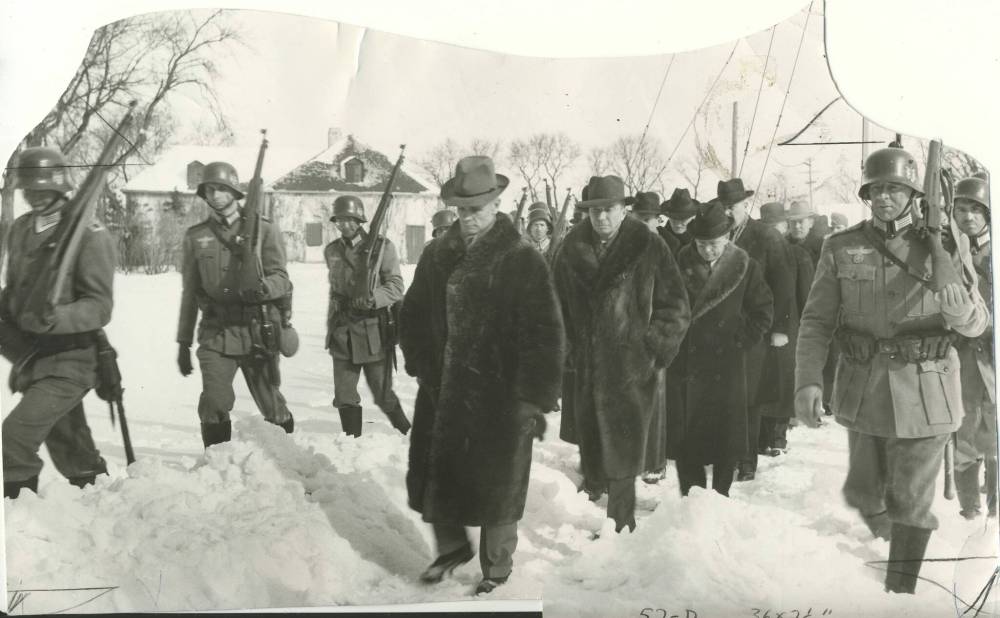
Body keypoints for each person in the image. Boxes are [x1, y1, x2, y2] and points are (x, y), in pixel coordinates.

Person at [794, 146, 989, 594]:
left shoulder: (943, 245)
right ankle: (899, 539)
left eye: (894, 189)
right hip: (865, 389)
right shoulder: (843, 246)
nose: (883, 198)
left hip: (929, 390)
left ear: (912, 194)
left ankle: (902, 593)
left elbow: (979, 321)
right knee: (863, 494)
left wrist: (961, 314)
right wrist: (806, 380)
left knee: (907, 500)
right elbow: (817, 320)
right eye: (876, 189)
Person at [399, 156, 564, 595]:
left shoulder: (522, 258)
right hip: (443, 389)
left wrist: (532, 397)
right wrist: (420, 363)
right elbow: (411, 314)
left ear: (496, 205)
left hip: (501, 395)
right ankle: (451, 548)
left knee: (499, 485)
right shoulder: (437, 255)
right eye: (461, 210)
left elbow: (545, 333)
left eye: (476, 210)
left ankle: (497, 570)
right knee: (437, 473)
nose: (468, 219)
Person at [552, 175, 690, 532]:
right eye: (594, 211)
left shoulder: (647, 244)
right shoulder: (571, 248)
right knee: (595, 445)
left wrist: (653, 349)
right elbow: (555, 306)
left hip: (631, 367)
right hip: (587, 368)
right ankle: (608, 510)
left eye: (608, 209)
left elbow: (674, 305)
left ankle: (621, 526)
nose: (601, 218)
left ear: (623, 208)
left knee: (625, 452)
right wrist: (567, 350)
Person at [1, 147, 112, 497]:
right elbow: (18, 288)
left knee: (14, 437)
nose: (34, 196)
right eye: (28, 189)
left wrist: (57, 317)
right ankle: (97, 496)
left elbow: (99, 306)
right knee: (70, 445)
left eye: (42, 189)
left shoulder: (88, 233)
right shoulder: (21, 228)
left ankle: (18, 515)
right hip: (31, 358)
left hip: (71, 357)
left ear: (61, 186)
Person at [176, 161, 295, 447]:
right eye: (209, 190)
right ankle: (217, 468)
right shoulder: (197, 236)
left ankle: (290, 464)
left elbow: (282, 278)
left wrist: (264, 288)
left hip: (258, 328)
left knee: (272, 406)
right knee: (214, 402)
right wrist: (183, 342)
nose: (215, 195)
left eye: (220, 189)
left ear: (234, 191)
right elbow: (189, 292)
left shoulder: (264, 230)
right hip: (217, 331)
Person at [666, 201, 773, 496]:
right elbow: (666, 306)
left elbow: (762, 311)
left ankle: (720, 498)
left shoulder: (745, 266)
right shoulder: (679, 263)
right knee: (686, 442)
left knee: (725, 440)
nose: (707, 251)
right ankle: (691, 499)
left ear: (727, 238)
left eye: (713, 244)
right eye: (701, 244)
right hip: (685, 365)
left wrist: (739, 341)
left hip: (726, 366)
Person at [716, 179, 795, 482]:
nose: (727, 212)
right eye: (722, 207)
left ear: (744, 205)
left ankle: (746, 460)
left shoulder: (765, 237)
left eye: (732, 207)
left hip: (757, 329)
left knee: (749, 397)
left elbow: (784, 285)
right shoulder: (716, 235)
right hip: (722, 332)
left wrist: (780, 327)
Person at [324, 195, 410, 437]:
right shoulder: (332, 251)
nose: (344, 225)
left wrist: (373, 297)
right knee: (343, 395)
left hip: (373, 331)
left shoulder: (382, 247)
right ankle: (352, 442)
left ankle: (406, 434)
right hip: (342, 331)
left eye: (349, 220)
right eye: (339, 220)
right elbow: (335, 291)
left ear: (359, 220)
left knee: (383, 395)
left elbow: (395, 286)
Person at [951, 173, 996, 519]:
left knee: (994, 428)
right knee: (964, 428)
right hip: (962, 352)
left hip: (994, 352)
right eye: (961, 209)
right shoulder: (947, 251)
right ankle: (969, 507)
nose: (968, 217)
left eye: (976, 210)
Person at [756, 202, 813, 455]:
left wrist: (801, 330)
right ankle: (761, 438)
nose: (772, 233)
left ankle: (778, 438)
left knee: (781, 384)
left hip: (788, 329)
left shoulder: (797, 255)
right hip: (760, 329)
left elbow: (807, 296)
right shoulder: (754, 253)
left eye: (776, 227)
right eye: (767, 227)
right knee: (762, 383)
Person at [660, 188, 698, 252]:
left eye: (683, 219)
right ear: (668, 217)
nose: (678, 224)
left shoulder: (702, 239)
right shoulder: (659, 238)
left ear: (692, 217)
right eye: (674, 219)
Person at [787, 200, 822, 266]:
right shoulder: (783, 245)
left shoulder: (821, 246)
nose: (797, 226)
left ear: (811, 223)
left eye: (800, 221)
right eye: (793, 222)